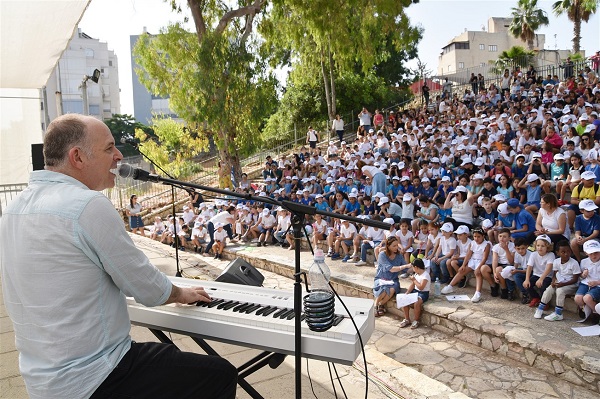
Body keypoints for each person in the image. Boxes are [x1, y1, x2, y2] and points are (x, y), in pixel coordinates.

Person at [0, 114, 237, 399]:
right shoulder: (86, 205)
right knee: (219, 374)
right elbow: (146, 288)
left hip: (43, 381)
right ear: (77, 157)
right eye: (108, 147)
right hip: (96, 376)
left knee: (168, 357)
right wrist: (180, 293)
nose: (118, 156)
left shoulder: (12, 210)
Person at [534, 240, 581, 321]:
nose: (566, 254)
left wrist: (563, 284)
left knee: (560, 291)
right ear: (557, 253)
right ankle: (540, 309)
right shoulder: (556, 261)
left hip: (572, 285)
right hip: (560, 282)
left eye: (568, 251)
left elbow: (575, 279)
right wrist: (553, 281)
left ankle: (558, 314)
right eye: (563, 252)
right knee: (549, 289)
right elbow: (555, 274)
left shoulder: (574, 263)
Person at [515, 234, 555, 308]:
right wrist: (527, 279)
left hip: (546, 276)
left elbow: (549, 268)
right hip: (536, 274)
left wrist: (541, 279)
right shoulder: (533, 254)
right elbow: (529, 267)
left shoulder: (551, 255)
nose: (540, 248)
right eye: (538, 245)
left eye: (543, 246)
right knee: (528, 285)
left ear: (548, 247)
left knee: (543, 286)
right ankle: (535, 297)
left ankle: (545, 301)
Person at [372, 236, 406, 316]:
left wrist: (415, 267)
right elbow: (391, 269)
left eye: (397, 245)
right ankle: (375, 305)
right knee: (384, 289)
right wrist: (404, 267)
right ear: (388, 246)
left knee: (392, 289)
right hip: (381, 278)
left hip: (393, 280)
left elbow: (407, 269)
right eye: (394, 246)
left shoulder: (399, 256)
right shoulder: (382, 255)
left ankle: (381, 304)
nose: (396, 247)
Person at [399, 258, 430, 329]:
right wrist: (407, 292)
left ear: (416, 267)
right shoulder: (416, 274)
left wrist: (414, 280)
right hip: (415, 291)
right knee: (405, 299)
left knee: (417, 302)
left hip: (423, 293)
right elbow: (413, 285)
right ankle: (407, 319)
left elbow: (421, 287)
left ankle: (416, 320)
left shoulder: (425, 275)